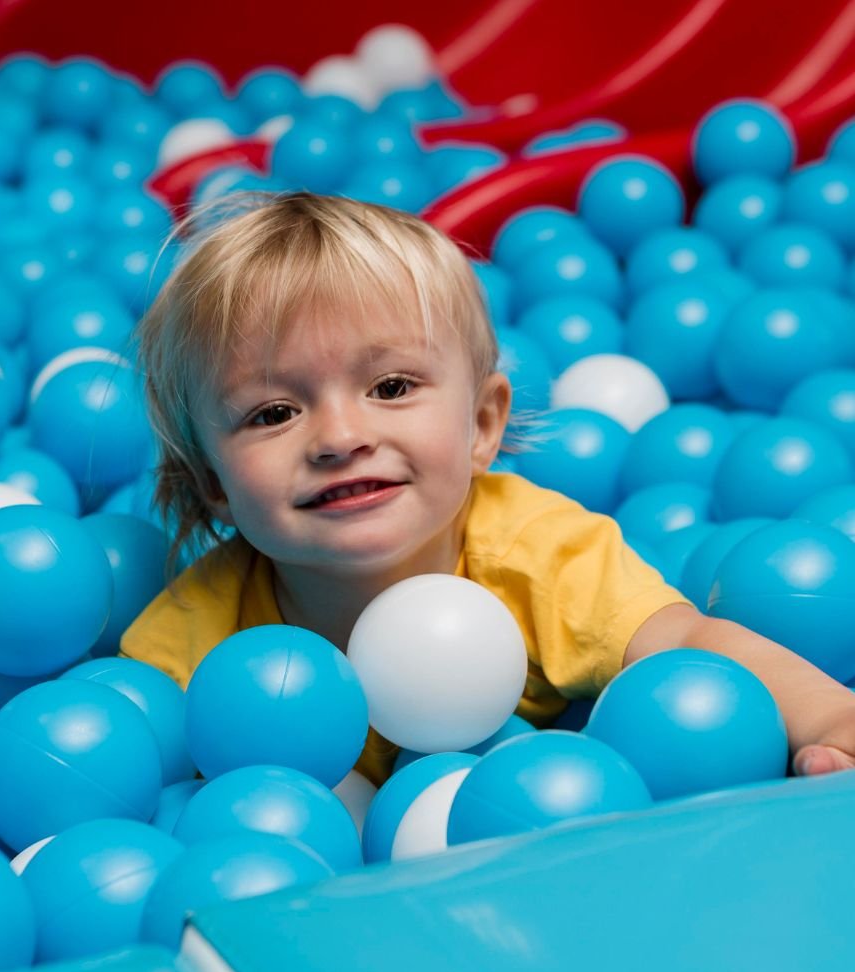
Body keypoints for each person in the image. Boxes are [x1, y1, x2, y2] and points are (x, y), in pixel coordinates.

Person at [122, 190, 855, 786]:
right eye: (274, 412)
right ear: (212, 483)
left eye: (391, 385)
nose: (340, 437)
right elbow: (117, 752)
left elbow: (688, 642)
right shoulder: (196, 638)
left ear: (480, 425)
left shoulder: (539, 555)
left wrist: (831, 721)